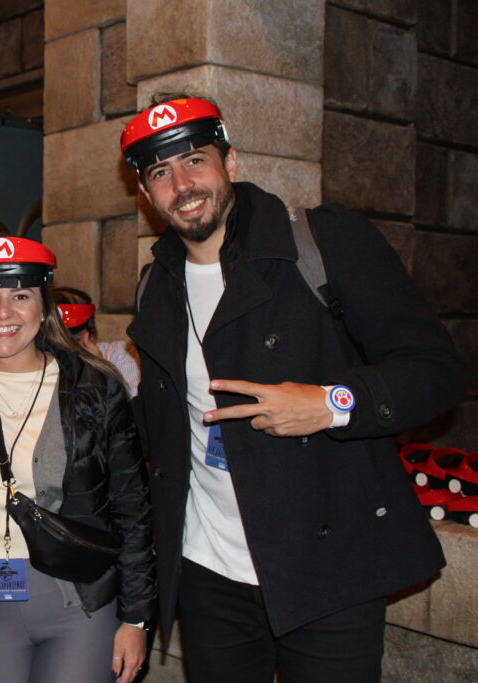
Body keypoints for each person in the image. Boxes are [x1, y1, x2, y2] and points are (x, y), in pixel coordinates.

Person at [120, 95, 466, 682]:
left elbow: (436, 372)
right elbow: (158, 425)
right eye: (160, 172)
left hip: (327, 570)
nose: (182, 184)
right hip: (209, 574)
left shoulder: (322, 242)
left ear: (230, 161)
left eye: (195, 161)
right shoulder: (156, 283)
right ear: (147, 193)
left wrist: (333, 404)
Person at [0, 236, 155, 683]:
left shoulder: (93, 387)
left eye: (21, 296)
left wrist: (137, 617)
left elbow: (132, 507)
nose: (3, 312)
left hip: (78, 604)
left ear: (43, 306)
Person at [53, 286, 141, 397]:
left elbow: (132, 407)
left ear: (88, 336)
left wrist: (100, 371)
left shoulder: (119, 355)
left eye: (74, 341)